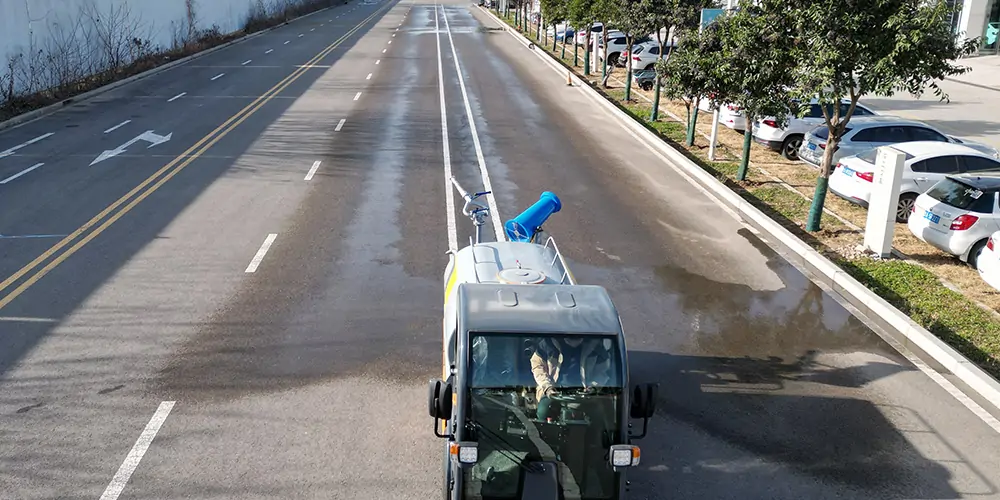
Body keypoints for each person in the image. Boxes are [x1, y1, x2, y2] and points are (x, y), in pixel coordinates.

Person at [529, 337, 612, 420]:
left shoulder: (595, 346)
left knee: (599, 416)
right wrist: (547, 387)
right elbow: (537, 365)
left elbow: (603, 371)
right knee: (543, 412)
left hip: (585, 394)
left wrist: (593, 387)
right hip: (553, 391)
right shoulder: (549, 343)